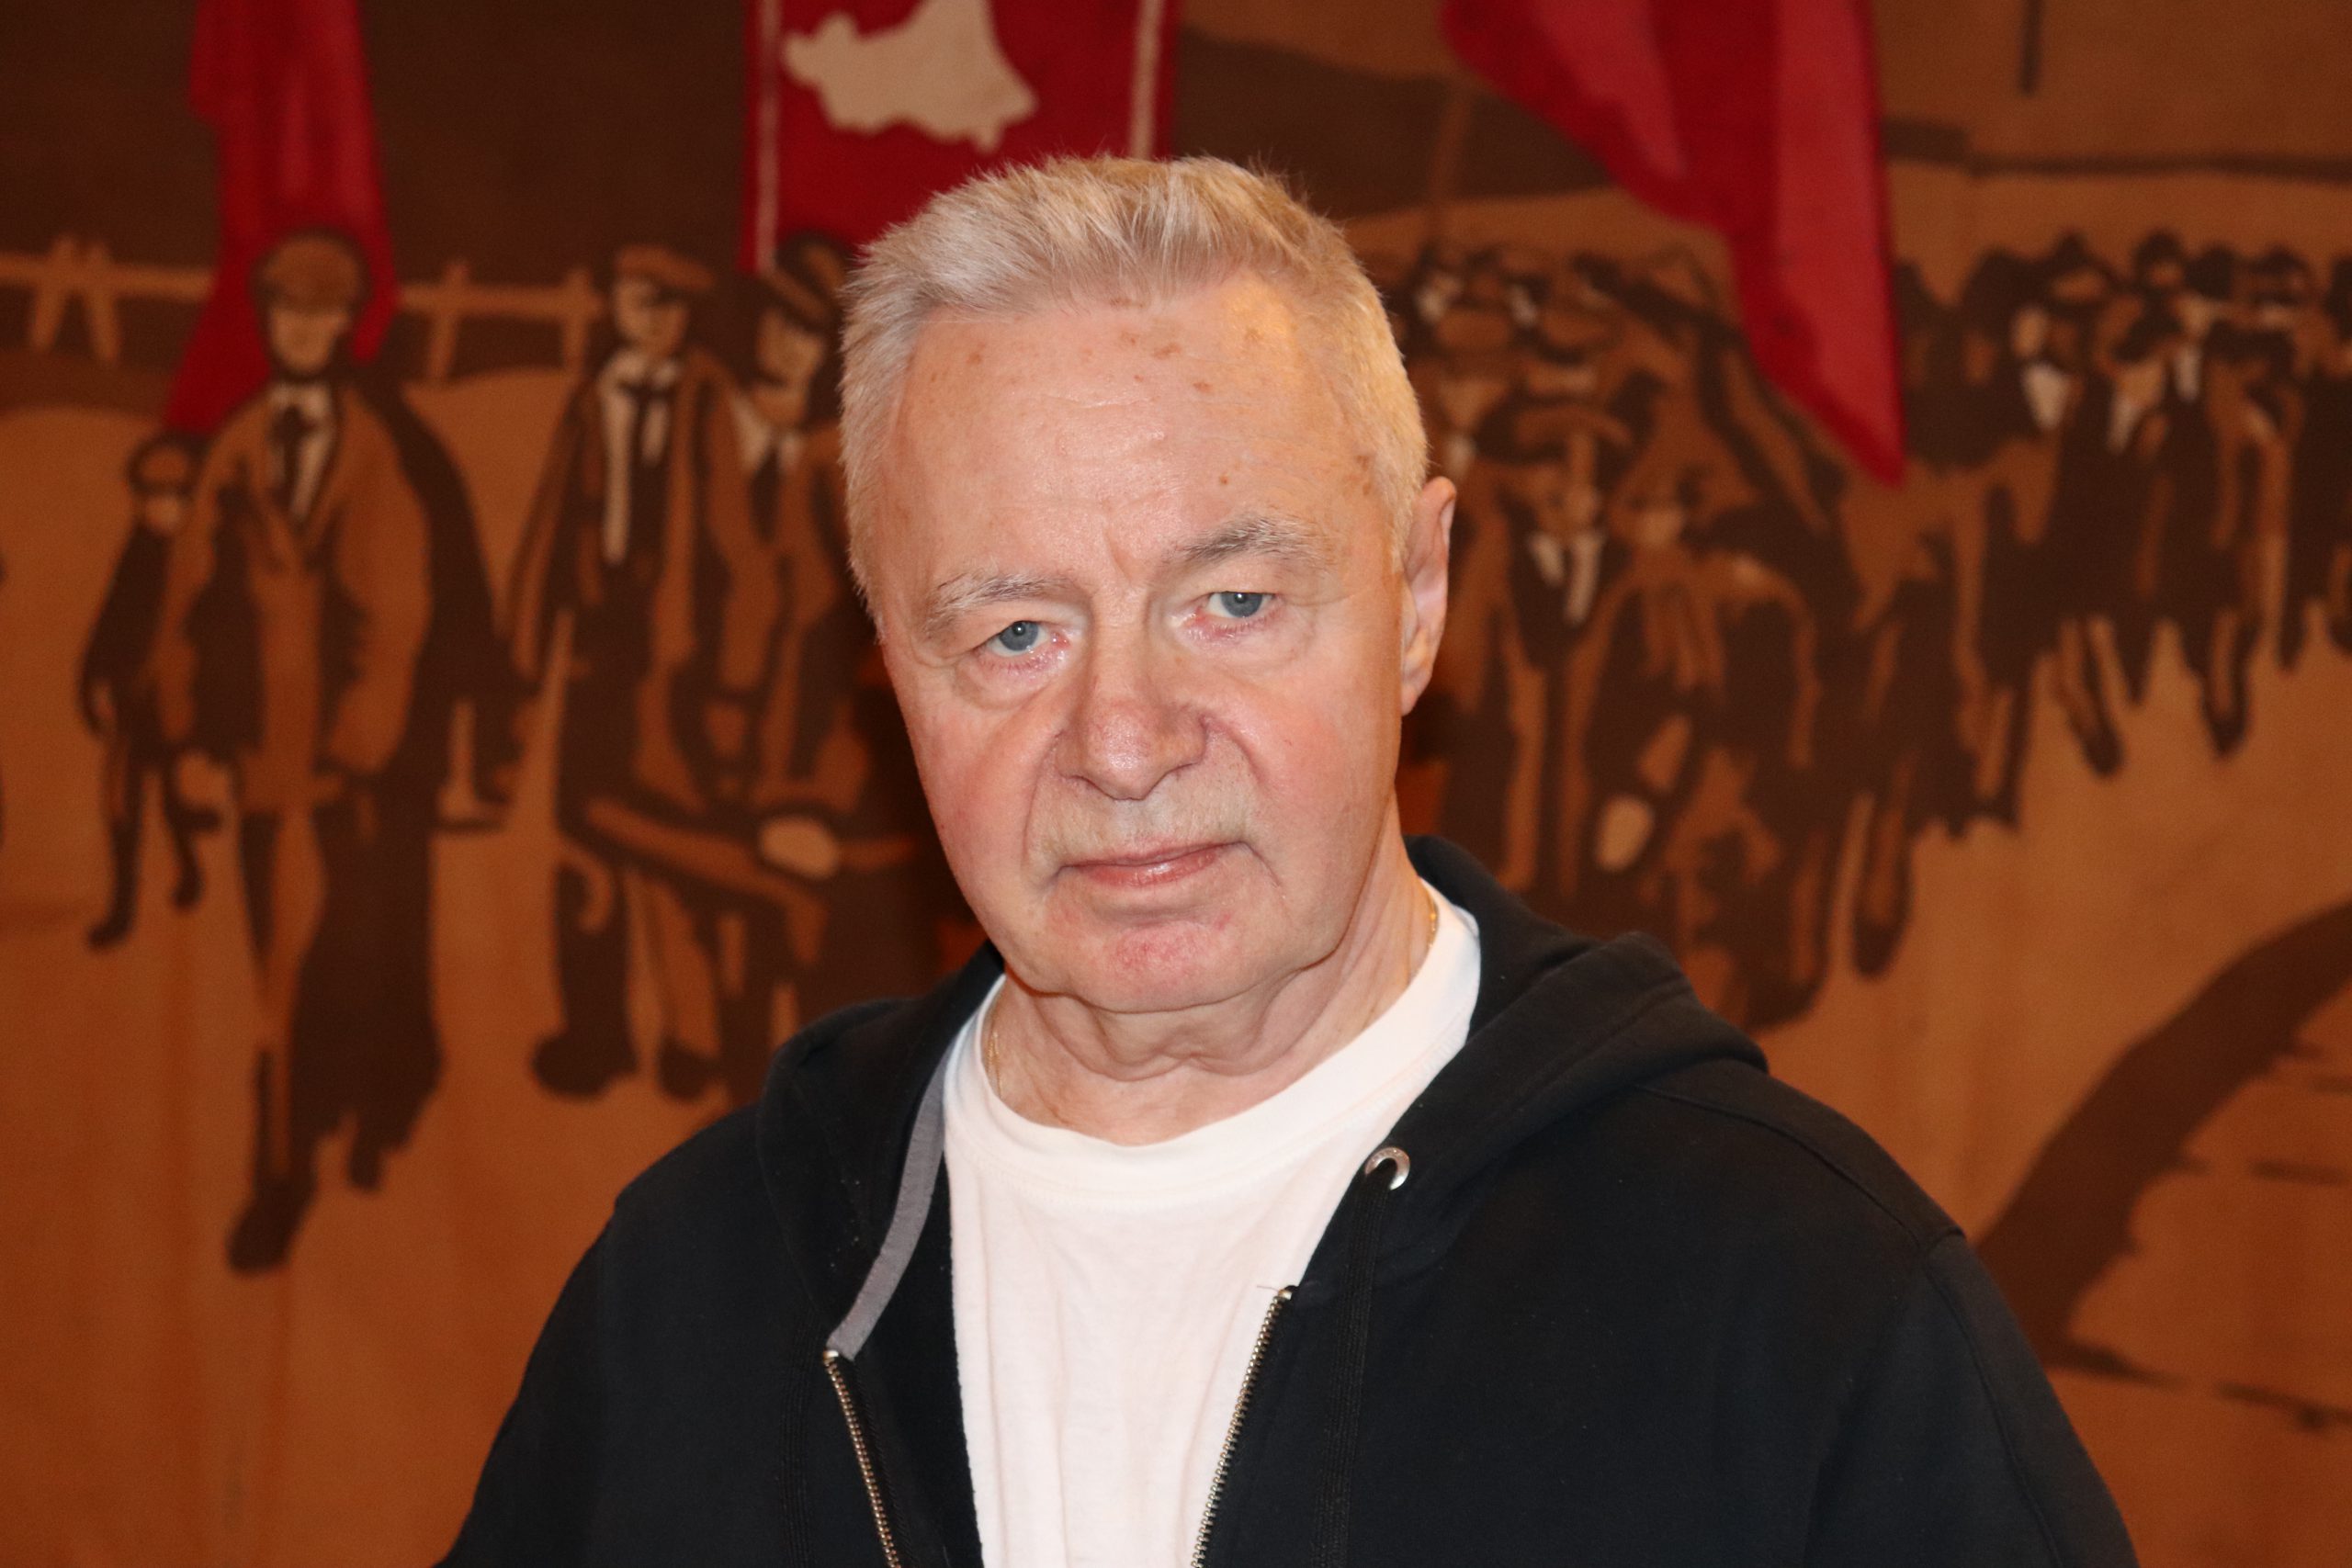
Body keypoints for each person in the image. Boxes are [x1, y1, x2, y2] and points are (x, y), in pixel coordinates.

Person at [444, 159, 2135, 1566]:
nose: (1124, 740)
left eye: (1234, 602)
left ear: (1419, 597)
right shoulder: (693, 1294)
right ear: (889, 660)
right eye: (1017, 631)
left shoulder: (1796, 1295)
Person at [150, 229, 436, 1270]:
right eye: (288, 311)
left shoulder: (376, 456)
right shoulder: (237, 446)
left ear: (347, 327)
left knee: (346, 964)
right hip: (261, 771)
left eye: (323, 313)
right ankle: (278, 1170)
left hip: (348, 777)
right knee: (276, 978)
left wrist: (357, 747)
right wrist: (188, 736)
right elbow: (188, 602)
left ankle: (352, 1124)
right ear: (267, 322)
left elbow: (395, 615)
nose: (304, 330)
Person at [502, 243, 776, 1102]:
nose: (653, 318)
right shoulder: (593, 399)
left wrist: (732, 681)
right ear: (614, 303)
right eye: (638, 299)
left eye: (670, 303)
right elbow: (551, 531)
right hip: (598, 662)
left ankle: (692, 1035)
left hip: (679, 670)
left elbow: (740, 551)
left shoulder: (711, 401)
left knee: (672, 853)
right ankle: (595, 1030)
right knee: (584, 853)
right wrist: (526, 651)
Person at [81, 432, 220, 948]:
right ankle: (123, 906)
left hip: (180, 697)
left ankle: (187, 868)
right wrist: (90, 678)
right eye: (148, 494)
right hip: (134, 696)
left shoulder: (208, 554)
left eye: (170, 494)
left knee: (169, 790)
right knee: (125, 797)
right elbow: (112, 615)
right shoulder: (138, 548)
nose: (158, 506)